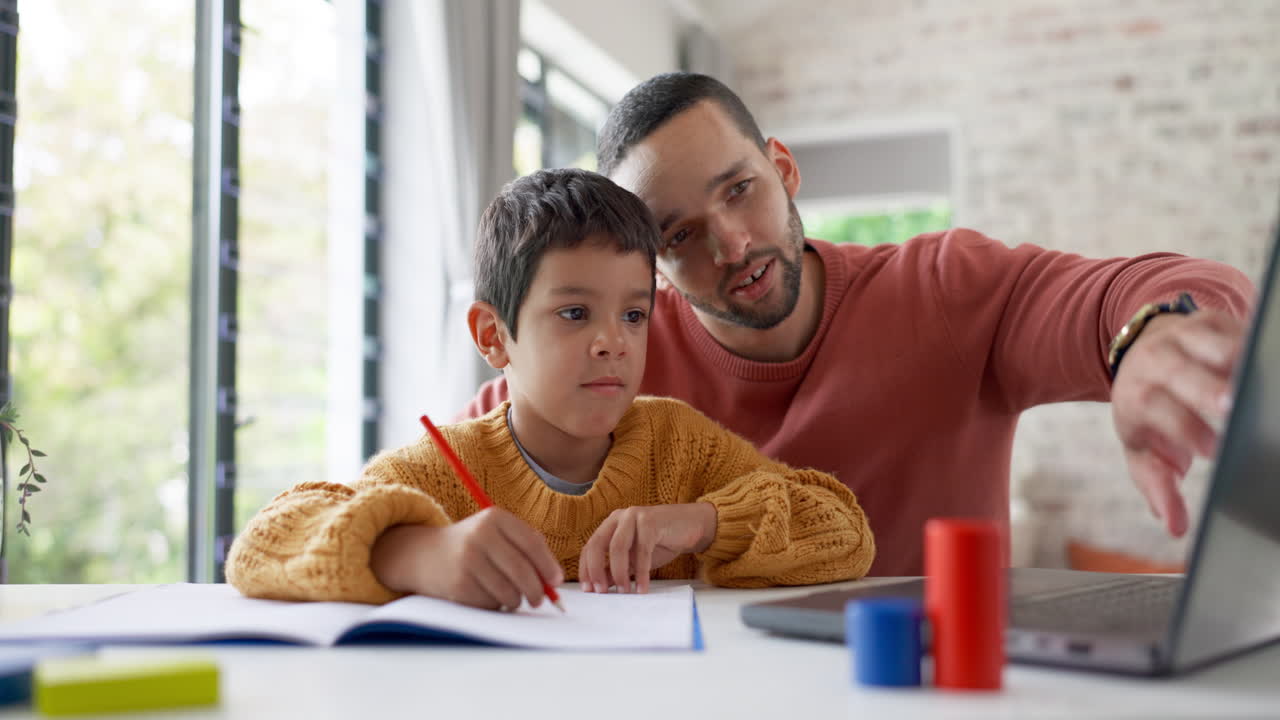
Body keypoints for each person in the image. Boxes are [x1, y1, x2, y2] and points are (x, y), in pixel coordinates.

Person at [461, 72, 1256, 576]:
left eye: (740, 189)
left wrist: (1156, 332)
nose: (731, 244)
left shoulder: (943, 289)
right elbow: (421, 475)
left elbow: (1149, 291)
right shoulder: (616, 351)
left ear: (783, 167)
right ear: (653, 261)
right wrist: (428, 548)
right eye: (680, 234)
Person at [226, 168, 874, 609]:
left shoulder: (681, 448)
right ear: (492, 336)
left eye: (633, 315)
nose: (612, 343)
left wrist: (703, 523)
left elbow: (844, 533)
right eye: (573, 313)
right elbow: (260, 547)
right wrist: (416, 553)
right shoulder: (440, 472)